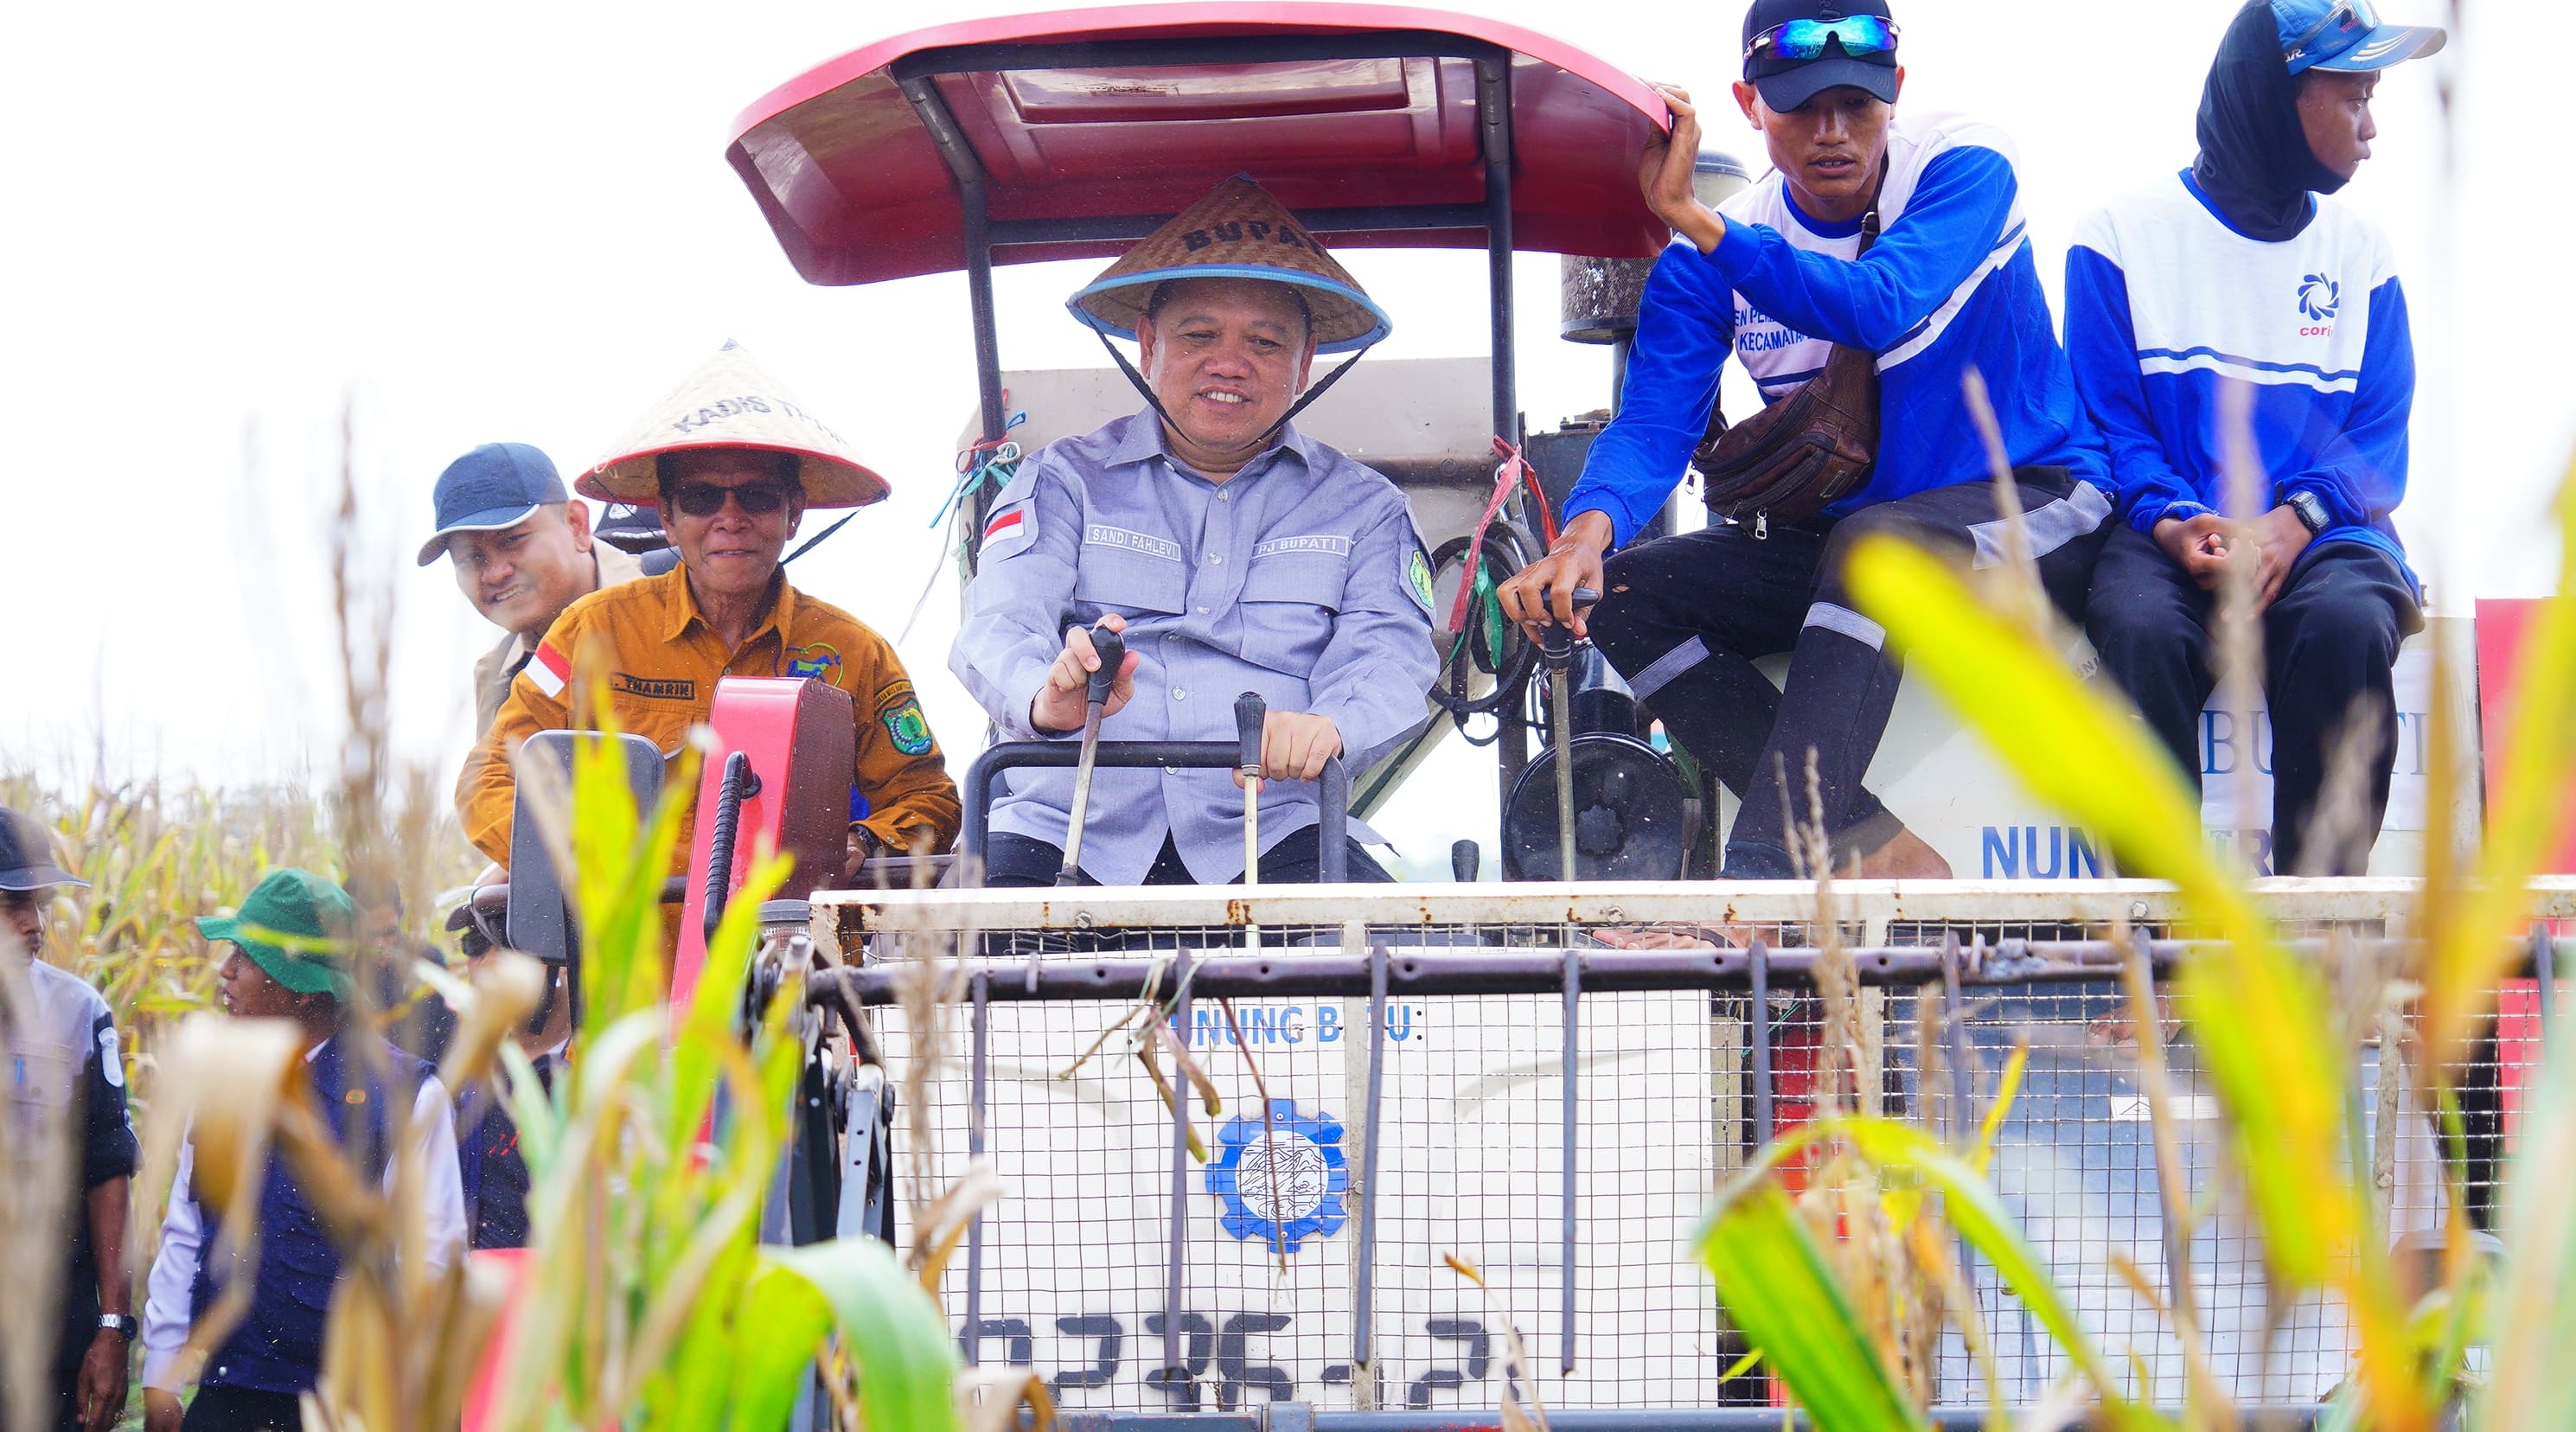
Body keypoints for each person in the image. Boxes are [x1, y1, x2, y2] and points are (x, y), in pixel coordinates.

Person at [1500, 2, 2114, 880]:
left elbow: (1876, 303)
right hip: (1861, 546)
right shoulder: (1705, 262)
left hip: (2032, 503)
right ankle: (1870, 842)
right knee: (1624, 591)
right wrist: (1580, 538)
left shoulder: (1965, 165)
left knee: (1874, 547)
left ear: (1895, 92)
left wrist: (1697, 222)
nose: (1831, 133)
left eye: (1857, 105)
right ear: (1749, 105)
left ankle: (1761, 874)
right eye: (1797, 108)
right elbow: (1651, 425)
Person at [950, 176, 1436, 887]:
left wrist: (1330, 724)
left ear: (1303, 366)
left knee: (1406, 973)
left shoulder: (1368, 508)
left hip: (1275, 825)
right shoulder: (1061, 481)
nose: (1229, 364)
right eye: (1199, 335)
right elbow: (996, 626)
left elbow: (1389, 656)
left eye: (1265, 343)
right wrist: (1044, 697)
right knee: (955, 972)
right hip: (1066, 822)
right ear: (1149, 345)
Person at [2069, 0, 2437, 875]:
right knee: (2136, 628)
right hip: (2169, 532)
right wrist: (2169, 518)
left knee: (2347, 622)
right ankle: (2161, 949)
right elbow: (2103, 420)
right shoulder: (2118, 235)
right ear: (2276, 96)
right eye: (2351, 97)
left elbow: (2378, 437)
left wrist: (2294, 518)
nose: (2370, 128)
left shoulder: (2362, 251)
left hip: (2319, 535)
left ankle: (2315, 948)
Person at [141, 869, 464, 1432]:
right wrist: (166, 1371)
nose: (224, 974)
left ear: (291, 980)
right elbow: (185, 1230)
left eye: (239, 958)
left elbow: (433, 1262)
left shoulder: (407, 1095)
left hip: (347, 1419)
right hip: (235, 1405)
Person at [456, 344, 962, 876]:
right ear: (668, 520)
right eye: (700, 499)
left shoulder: (854, 653)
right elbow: (489, 778)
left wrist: (864, 843)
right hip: (625, 948)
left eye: (758, 497)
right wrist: (575, 857)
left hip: (790, 949)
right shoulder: (589, 631)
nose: (730, 519)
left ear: (794, 515)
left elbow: (928, 799)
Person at [0, 806, 137, 1432]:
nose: (36, 924)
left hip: (45, 1333)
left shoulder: (77, 1012)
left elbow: (107, 1167)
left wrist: (114, 1327)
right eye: (12, 905)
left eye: (41, 905)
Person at [419, 441, 645, 739]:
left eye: (513, 540)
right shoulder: (496, 676)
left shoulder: (683, 597)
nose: (496, 573)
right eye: (470, 558)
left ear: (576, 524)